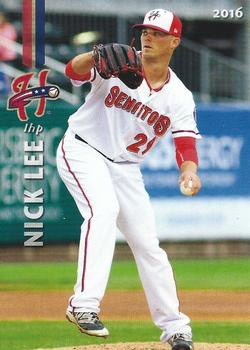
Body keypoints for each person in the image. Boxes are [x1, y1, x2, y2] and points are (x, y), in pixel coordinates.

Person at [56, 8, 201, 350]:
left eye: (157, 33)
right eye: (144, 31)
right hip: (83, 149)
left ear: (174, 42)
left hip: (125, 167)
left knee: (148, 244)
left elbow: (185, 142)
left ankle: (176, 328)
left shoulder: (179, 96)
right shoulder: (117, 62)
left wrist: (189, 171)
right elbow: (71, 72)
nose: (147, 37)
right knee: (103, 211)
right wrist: (92, 55)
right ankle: (83, 305)